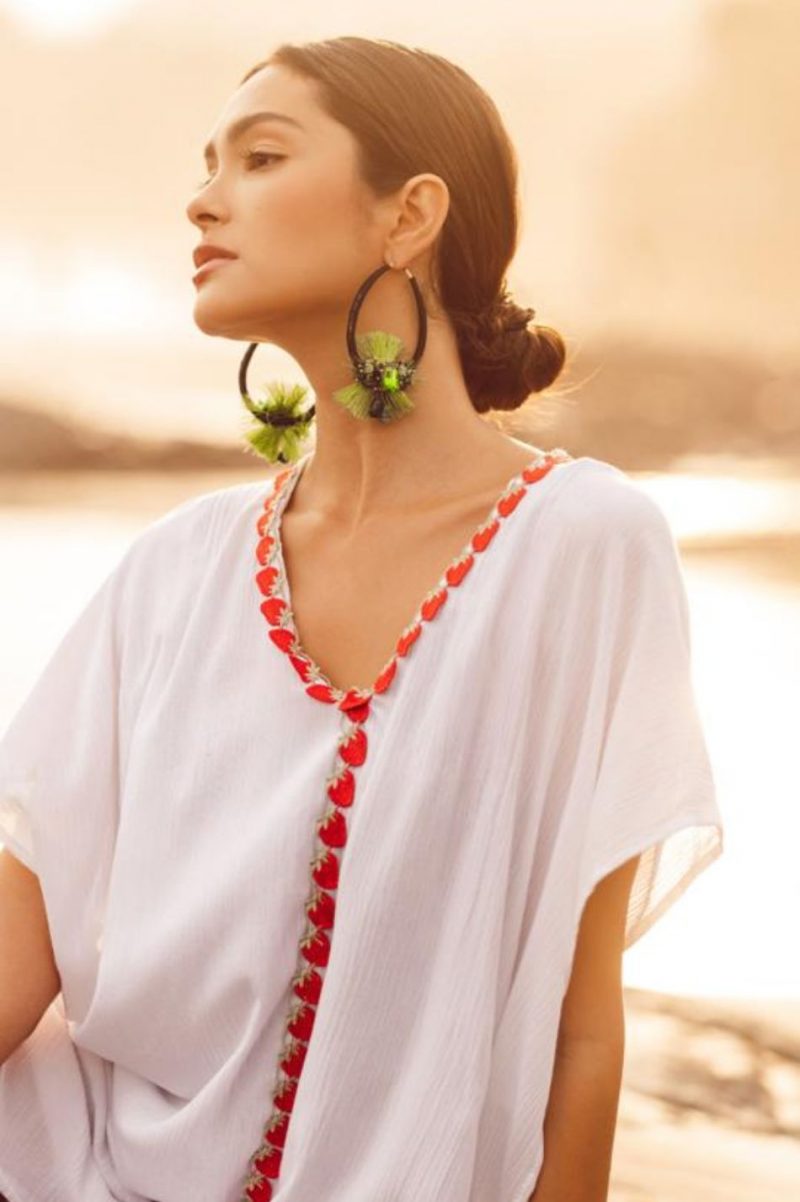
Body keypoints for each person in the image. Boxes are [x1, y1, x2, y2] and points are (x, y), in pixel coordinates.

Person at [0, 35, 724, 1202]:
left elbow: (578, 1032)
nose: (202, 197)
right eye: (206, 163)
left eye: (261, 156)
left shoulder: (582, 545)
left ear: (409, 216)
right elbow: (14, 960)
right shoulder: (169, 575)